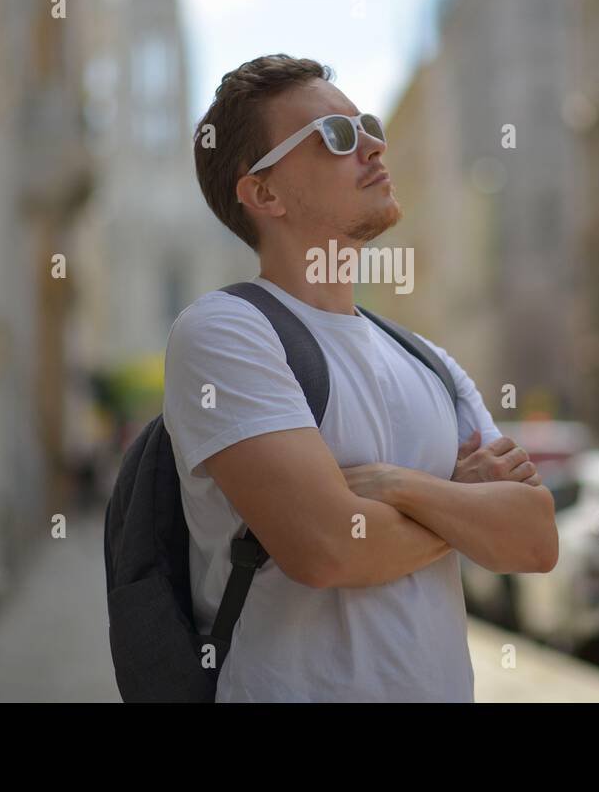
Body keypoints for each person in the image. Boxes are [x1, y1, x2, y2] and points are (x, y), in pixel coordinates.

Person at [163, 54, 558, 701]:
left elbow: (536, 539)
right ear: (264, 193)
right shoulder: (225, 334)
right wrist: (462, 504)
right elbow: (327, 549)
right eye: (337, 137)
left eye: (367, 125)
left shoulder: (429, 360)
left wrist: (393, 486)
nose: (373, 145)